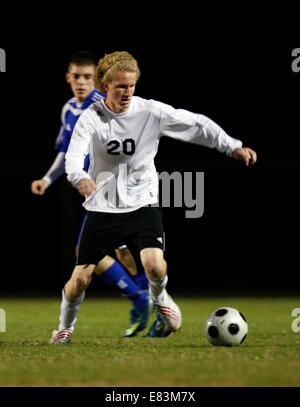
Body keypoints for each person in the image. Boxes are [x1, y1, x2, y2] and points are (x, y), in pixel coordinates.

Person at [49, 50, 257, 344]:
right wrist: (80, 177)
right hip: (103, 208)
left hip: (142, 204)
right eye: (121, 86)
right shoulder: (91, 118)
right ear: (105, 85)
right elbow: (74, 155)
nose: (127, 92)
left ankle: (160, 297)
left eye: (132, 85)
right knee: (80, 279)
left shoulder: (149, 111)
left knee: (155, 266)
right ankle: (64, 327)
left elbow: (196, 123)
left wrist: (231, 146)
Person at [31, 51, 151, 339]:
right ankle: (144, 300)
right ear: (68, 78)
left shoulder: (104, 105)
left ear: (97, 79)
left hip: (112, 191)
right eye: (77, 77)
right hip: (91, 191)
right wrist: (47, 179)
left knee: (111, 252)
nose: (82, 83)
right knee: (113, 252)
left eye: (87, 77)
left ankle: (144, 300)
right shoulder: (69, 110)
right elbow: (65, 152)